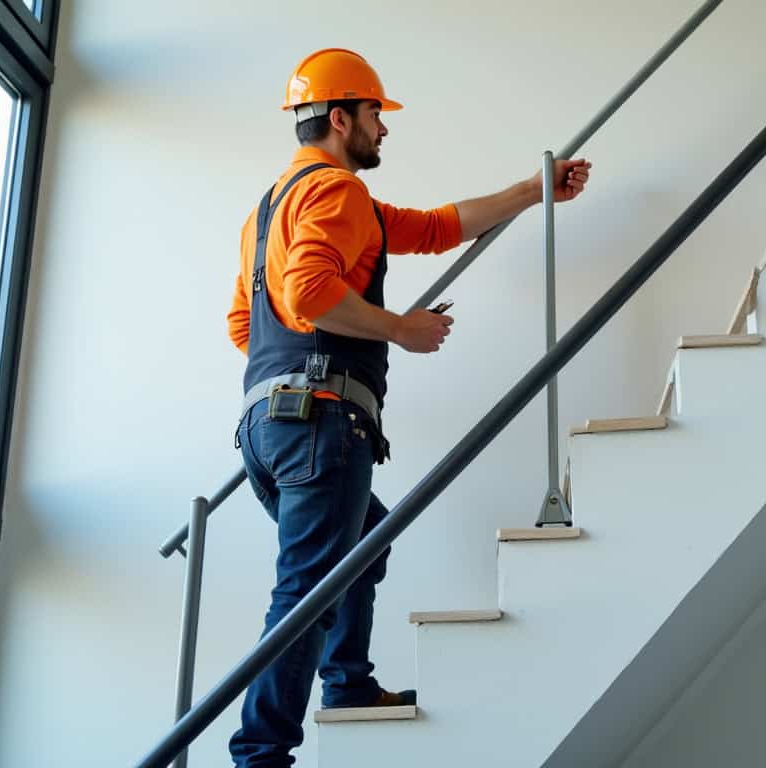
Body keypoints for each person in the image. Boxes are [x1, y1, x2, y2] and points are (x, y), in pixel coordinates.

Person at [224, 48, 591, 766]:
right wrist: (400, 329)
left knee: (367, 539)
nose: (384, 128)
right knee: (305, 593)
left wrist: (533, 189)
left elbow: (431, 229)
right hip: (321, 423)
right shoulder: (338, 192)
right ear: (340, 119)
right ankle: (260, 756)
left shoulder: (269, 210)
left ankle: (347, 685)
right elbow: (310, 294)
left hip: (267, 429)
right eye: (374, 113)